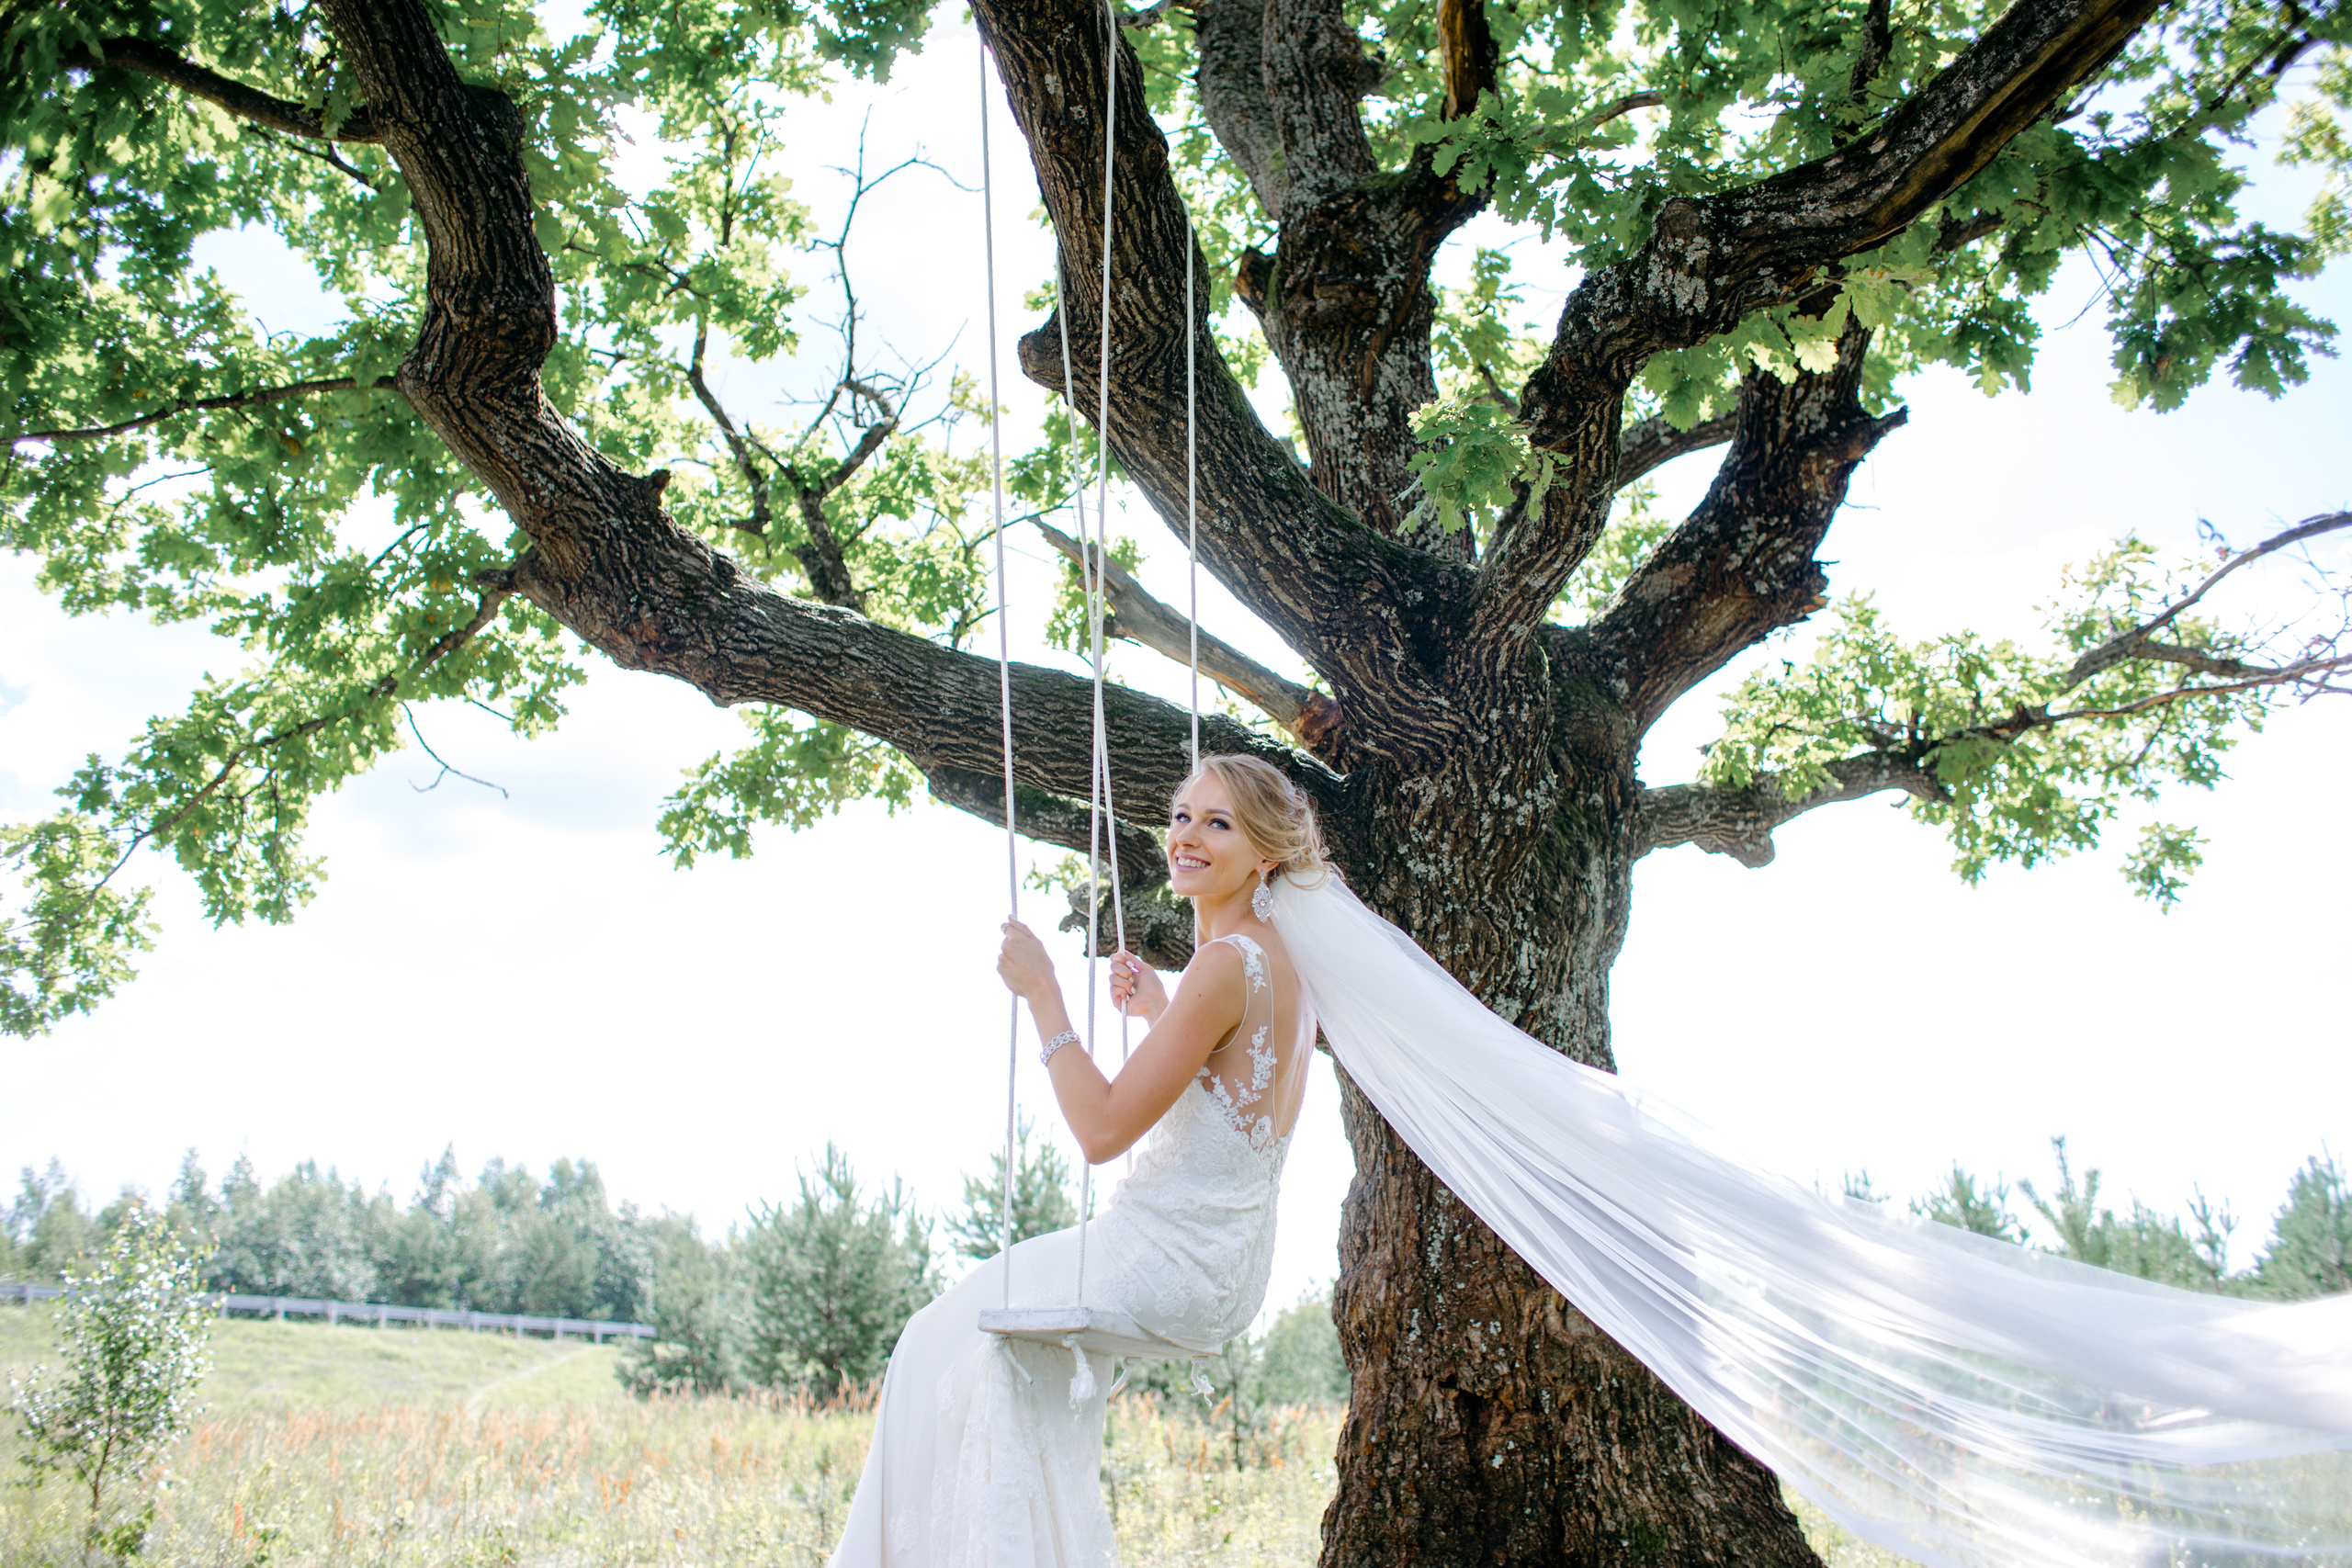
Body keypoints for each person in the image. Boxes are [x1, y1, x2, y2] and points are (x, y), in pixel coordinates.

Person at [825, 754, 1323, 1568]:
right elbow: (1237, 1086)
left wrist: (1044, 994)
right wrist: (1162, 1009)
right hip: (1223, 1264)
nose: (1187, 836)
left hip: (1163, 1256)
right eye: (1181, 814)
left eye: (1218, 822)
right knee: (985, 1359)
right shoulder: (1275, 963)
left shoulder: (1226, 963)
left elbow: (1099, 1132)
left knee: (929, 1344)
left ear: (1265, 853)